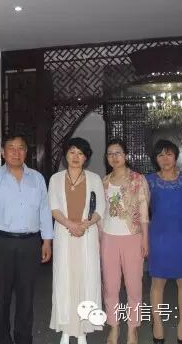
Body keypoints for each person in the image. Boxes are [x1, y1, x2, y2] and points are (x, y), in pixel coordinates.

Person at [0, 134, 54, 344]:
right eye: (11, 148)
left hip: (30, 243)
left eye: (20, 148)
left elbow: (44, 210)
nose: (16, 152)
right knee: (1, 298)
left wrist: (47, 240)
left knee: (26, 297)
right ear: (3, 152)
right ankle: (2, 339)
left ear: (26, 152)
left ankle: (23, 338)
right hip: (1, 243)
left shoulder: (37, 179)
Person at [48, 137, 106, 344]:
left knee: (85, 281)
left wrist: (84, 225)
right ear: (65, 154)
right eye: (72, 152)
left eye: (80, 153)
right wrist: (70, 224)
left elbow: (100, 209)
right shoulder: (55, 179)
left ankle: (82, 331)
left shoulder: (94, 179)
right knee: (65, 282)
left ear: (86, 158)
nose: (75, 156)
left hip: (86, 236)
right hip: (64, 235)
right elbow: (54, 207)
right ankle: (66, 329)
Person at [146, 139, 182, 344]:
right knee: (157, 282)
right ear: (156, 159)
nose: (165, 159)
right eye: (160, 155)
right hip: (158, 236)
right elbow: (142, 210)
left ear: (176, 156)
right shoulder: (149, 180)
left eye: (169, 154)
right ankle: (157, 325)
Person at [100, 139, 149, 344]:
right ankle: (114, 326)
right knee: (110, 286)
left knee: (133, 286)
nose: (114, 157)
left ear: (126, 155)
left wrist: (145, 239)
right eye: (110, 154)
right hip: (108, 238)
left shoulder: (138, 179)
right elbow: (100, 213)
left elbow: (144, 211)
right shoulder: (104, 181)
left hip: (132, 237)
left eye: (118, 153)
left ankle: (132, 329)